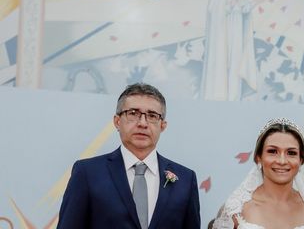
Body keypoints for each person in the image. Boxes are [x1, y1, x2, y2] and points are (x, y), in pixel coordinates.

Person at [58, 83, 200, 228]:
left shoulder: (185, 180)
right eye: (133, 113)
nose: (143, 123)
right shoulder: (87, 173)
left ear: (162, 125)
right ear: (117, 121)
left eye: (152, 116)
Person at [213, 118, 304, 228]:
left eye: (291, 153)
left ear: (301, 160)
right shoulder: (236, 210)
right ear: (258, 157)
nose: (282, 161)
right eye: (272, 151)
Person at [202, 0, 262, 100]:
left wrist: (254, 3)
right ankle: (219, 94)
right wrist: (230, 5)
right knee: (222, 60)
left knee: (235, 61)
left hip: (237, 30)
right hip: (223, 32)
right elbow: (214, 10)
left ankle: (233, 95)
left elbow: (244, 10)